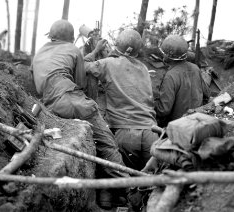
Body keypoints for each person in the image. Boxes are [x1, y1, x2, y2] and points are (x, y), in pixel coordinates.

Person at [31, 19, 128, 209]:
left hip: (49, 105)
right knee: (108, 145)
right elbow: (81, 81)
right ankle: (130, 190)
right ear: (70, 37)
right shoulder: (73, 50)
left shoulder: (40, 52)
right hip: (72, 102)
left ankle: (107, 193)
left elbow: (36, 82)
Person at [84, 29, 159, 171]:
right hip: (151, 132)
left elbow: (84, 65)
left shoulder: (108, 64)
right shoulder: (143, 68)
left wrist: (96, 50)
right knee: (149, 186)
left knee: (127, 183)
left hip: (127, 133)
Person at [155, 35, 209, 127]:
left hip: (178, 126)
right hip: (197, 121)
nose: (163, 54)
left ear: (169, 55)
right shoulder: (195, 68)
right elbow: (206, 94)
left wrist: (152, 103)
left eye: (164, 52)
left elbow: (164, 110)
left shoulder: (170, 76)